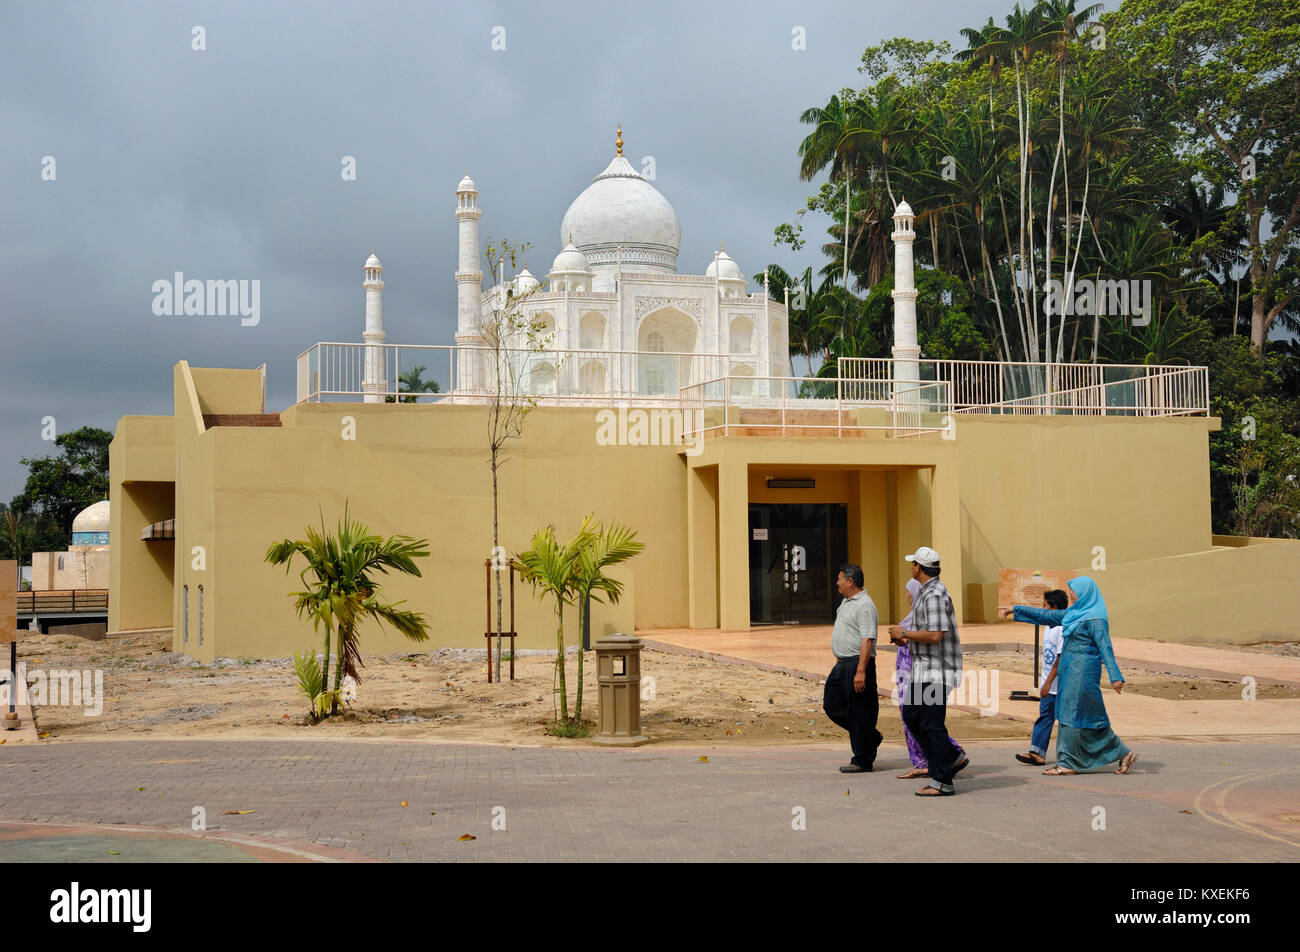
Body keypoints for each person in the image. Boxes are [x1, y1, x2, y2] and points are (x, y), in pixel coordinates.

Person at [999, 577, 1138, 775]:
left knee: (1068, 713)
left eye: (1073, 590)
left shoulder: (1095, 618)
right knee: (1088, 716)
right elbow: (1045, 615)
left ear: (1084, 593)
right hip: (1069, 671)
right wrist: (1015, 609)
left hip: (1083, 672)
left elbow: (1105, 647)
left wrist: (1115, 676)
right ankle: (1123, 753)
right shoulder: (1073, 614)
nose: (1071, 594)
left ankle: (1067, 762)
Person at [887, 547, 966, 797]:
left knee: (931, 723)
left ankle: (942, 781)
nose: (911, 568)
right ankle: (951, 756)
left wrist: (904, 633)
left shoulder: (933, 595)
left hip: (936, 671)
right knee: (912, 716)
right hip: (924, 669)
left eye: (913, 564)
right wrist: (907, 641)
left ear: (918, 568)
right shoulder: (927, 592)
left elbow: (935, 634)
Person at [823, 563, 883, 773]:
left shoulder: (864, 605)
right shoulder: (846, 602)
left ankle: (862, 759)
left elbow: (867, 640)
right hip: (842, 664)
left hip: (857, 664)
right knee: (832, 704)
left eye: (839, 579)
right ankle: (869, 736)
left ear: (850, 581)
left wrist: (860, 671)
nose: (836, 583)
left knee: (860, 710)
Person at [1013, 589, 1068, 767]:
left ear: (1054, 608)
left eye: (1045, 606)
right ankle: (1036, 752)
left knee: (1066, 722)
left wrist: (1048, 682)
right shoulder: (1048, 627)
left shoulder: (1062, 628)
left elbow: (1059, 659)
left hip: (1058, 685)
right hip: (1048, 683)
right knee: (1045, 717)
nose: (1042, 610)